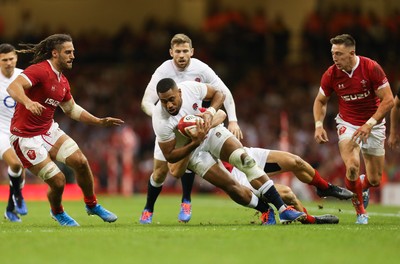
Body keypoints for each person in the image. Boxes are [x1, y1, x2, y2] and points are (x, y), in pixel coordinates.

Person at [150, 77, 312, 226]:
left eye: (172, 99)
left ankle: (283, 210)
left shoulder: (191, 89)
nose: (169, 105)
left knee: (245, 160)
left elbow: (219, 96)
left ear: (179, 93)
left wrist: (209, 113)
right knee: (230, 186)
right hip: (191, 151)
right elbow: (171, 157)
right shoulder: (160, 119)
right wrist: (195, 142)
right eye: (164, 102)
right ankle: (265, 209)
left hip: (209, 133)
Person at [6, 34, 124, 226]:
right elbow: (13, 86)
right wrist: (28, 102)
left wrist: (98, 121)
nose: (72, 56)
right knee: (59, 181)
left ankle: (92, 204)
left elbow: (71, 110)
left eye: (73, 52)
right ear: (55, 53)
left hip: (47, 130)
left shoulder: (62, 82)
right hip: (24, 137)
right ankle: (57, 212)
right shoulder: (39, 70)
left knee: (81, 161)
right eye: (68, 52)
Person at [169, 109, 348, 225]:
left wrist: (205, 123)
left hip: (246, 155)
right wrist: (195, 141)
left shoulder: (195, 115)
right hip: (237, 176)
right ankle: (310, 220)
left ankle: (324, 187)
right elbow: (175, 170)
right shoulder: (176, 143)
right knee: (287, 193)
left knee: (295, 161)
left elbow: (222, 114)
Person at [140, 33, 243, 223]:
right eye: (177, 51)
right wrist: (160, 117)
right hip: (169, 128)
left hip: (193, 119)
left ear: (192, 52)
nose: (181, 55)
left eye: (185, 51)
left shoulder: (201, 68)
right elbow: (146, 101)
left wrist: (233, 120)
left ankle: (186, 200)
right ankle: (148, 208)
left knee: (189, 158)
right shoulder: (163, 71)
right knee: (160, 172)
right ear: (171, 52)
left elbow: (223, 91)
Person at [313, 34, 394, 224]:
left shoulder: (370, 68)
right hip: (348, 124)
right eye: (333, 54)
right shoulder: (331, 74)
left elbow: (389, 100)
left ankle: (362, 185)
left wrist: (369, 124)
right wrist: (318, 125)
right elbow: (320, 101)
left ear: (352, 53)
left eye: (339, 54)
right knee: (352, 166)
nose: (335, 58)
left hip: (373, 123)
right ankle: (361, 212)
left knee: (374, 179)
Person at [0, 43, 27, 222]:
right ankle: (18, 197)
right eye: (4, 60)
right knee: (16, 164)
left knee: (20, 172)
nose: (8, 63)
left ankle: (10, 209)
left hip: (19, 131)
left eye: (11, 59)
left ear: (16, 58)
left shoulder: (23, 76)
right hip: (0, 130)